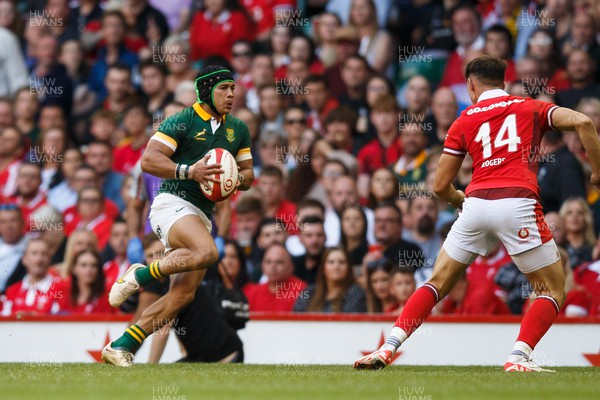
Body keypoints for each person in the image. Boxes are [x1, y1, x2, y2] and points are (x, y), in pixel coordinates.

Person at [355, 56, 600, 372]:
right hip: (517, 202)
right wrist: (596, 172)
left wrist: (459, 200)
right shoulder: (530, 107)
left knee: (436, 283)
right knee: (551, 289)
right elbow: (583, 122)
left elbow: (440, 184)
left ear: (471, 84)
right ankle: (518, 358)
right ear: (503, 80)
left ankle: (388, 348)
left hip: (476, 203)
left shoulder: (464, 119)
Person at [102, 66, 254, 367]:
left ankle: (121, 345)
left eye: (233, 89)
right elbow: (149, 159)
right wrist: (189, 171)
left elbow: (249, 173)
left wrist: (236, 178)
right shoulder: (183, 120)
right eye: (224, 88)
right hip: (171, 203)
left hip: (201, 213)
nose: (231, 94)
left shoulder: (239, 128)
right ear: (207, 90)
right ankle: (141, 275)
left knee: (182, 296)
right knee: (207, 251)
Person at [294, 247, 366, 313]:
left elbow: (351, 321)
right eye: (331, 262)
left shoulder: (356, 292)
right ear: (323, 268)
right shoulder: (309, 292)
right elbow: (296, 317)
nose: (336, 266)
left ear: (349, 268)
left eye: (342, 262)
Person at [243, 244, 306, 312]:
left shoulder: (303, 291)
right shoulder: (252, 293)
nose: (273, 266)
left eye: (279, 262)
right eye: (268, 262)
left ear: (291, 266)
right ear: (262, 266)